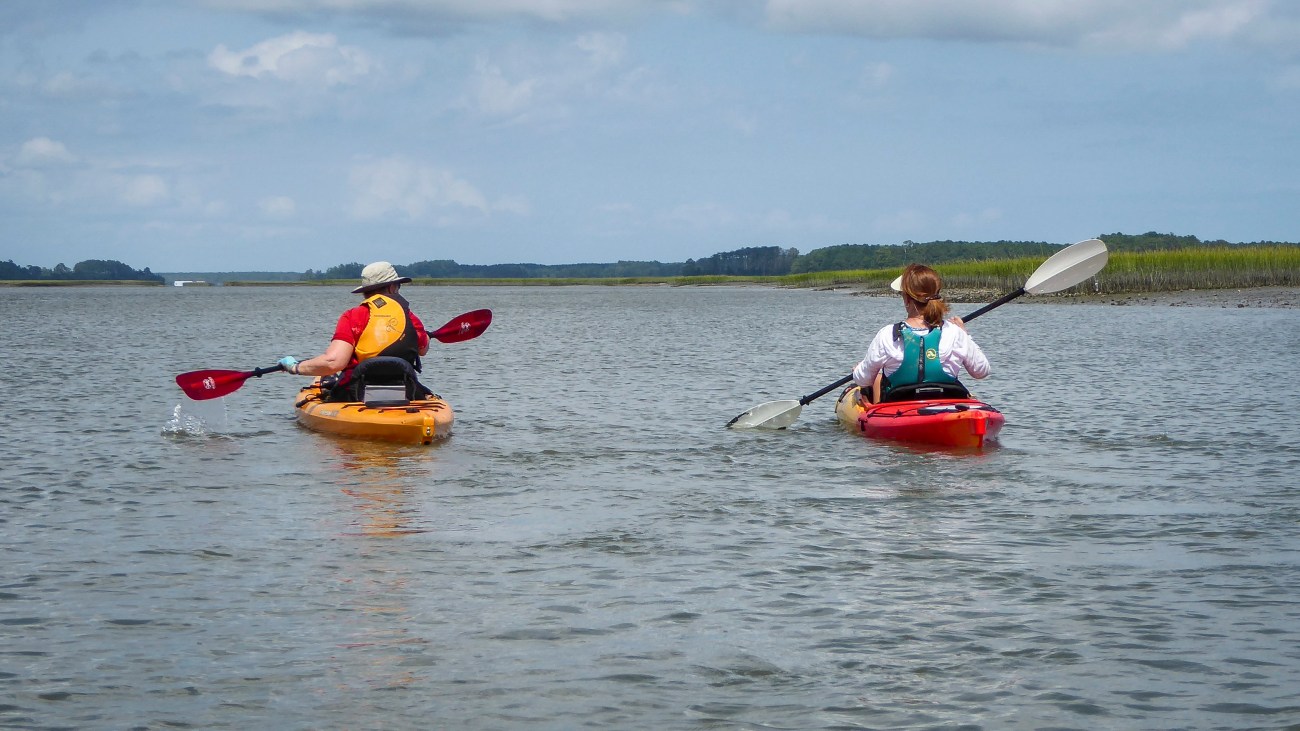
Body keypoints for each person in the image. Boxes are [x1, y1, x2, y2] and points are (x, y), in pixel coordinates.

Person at [278, 261, 431, 402]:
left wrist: (295, 367)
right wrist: (424, 336)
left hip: (355, 394)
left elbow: (333, 362)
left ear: (365, 291)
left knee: (332, 381)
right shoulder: (410, 317)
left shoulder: (353, 316)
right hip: (405, 392)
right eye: (398, 286)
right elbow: (423, 349)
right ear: (392, 287)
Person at [851, 263, 990, 403]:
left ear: (907, 298)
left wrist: (858, 370)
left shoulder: (887, 335)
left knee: (875, 379)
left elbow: (863, 380)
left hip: (899, 413)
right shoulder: (955, 332)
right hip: (945, 408)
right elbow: (981, 371)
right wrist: (965, 334)